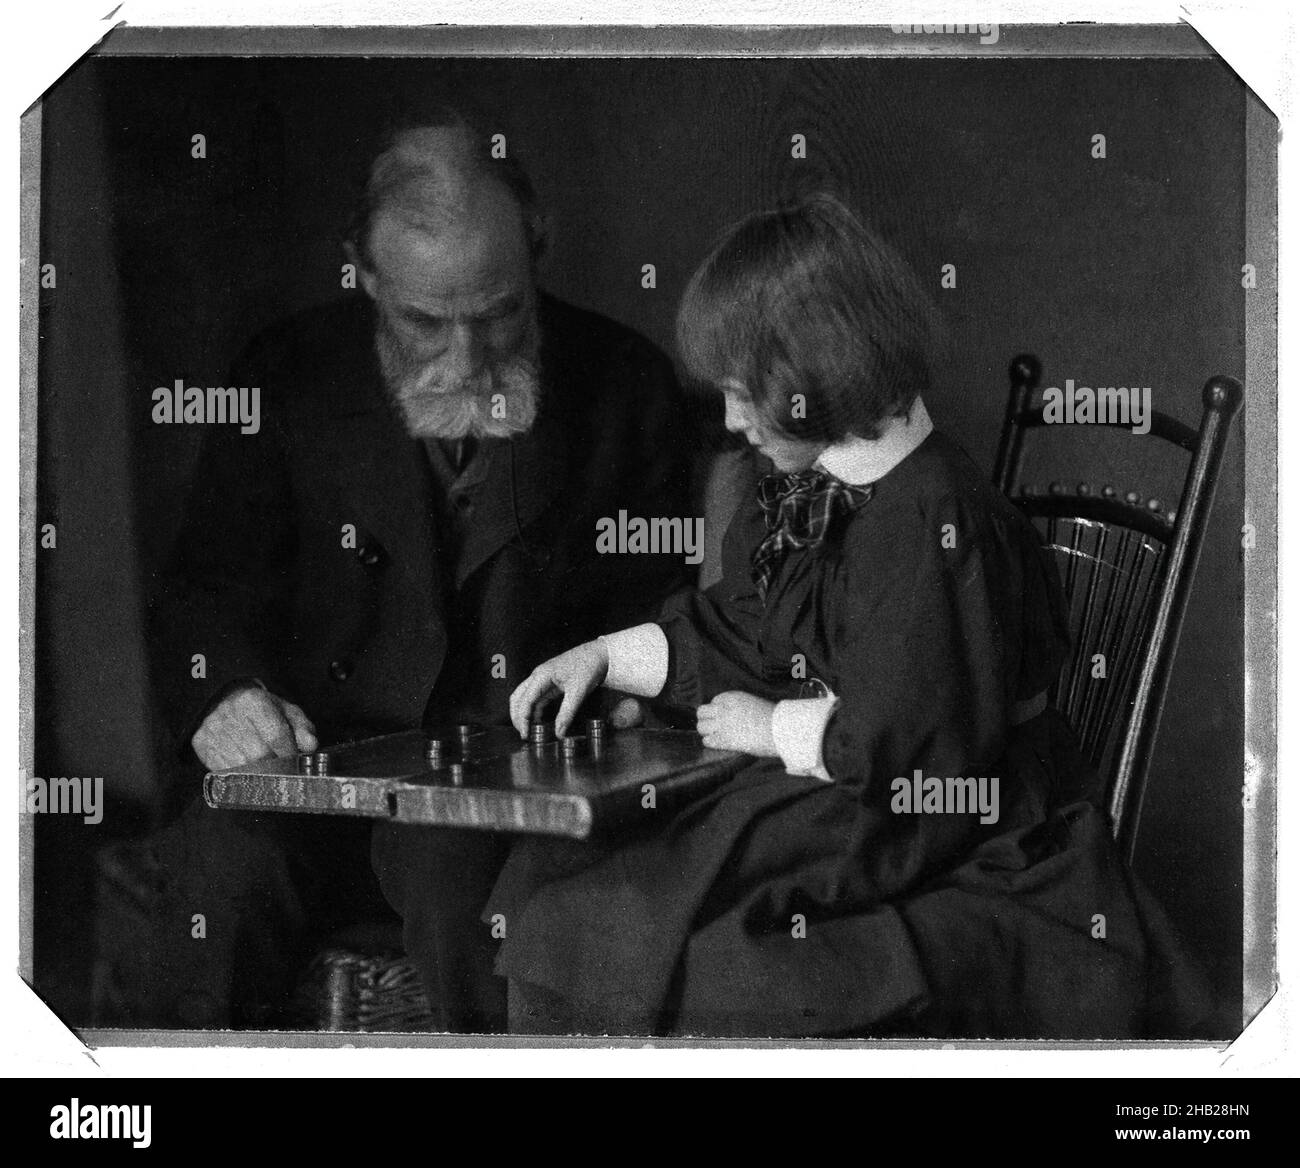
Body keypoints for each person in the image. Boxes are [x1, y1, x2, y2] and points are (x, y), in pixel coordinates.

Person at [491, 193, 1213, 1038]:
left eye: (742, 395)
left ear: (818, 376)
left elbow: (916, 743)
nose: (729, 422)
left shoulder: (930, 519)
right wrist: (605, 657)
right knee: (575, 880)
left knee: (683, 939)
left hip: (969, 832)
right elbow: (743, 630)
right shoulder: (817, 493)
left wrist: (772, 729)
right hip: (868, 798)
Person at [94, 105, 695, 1029]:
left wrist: (632, 695)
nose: (467, 359)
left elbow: (669, 614)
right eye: (423, 321)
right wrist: (223, 697)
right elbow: (202, 593)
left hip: (502, 798)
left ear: (538, 246)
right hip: (310, 776)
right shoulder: (283, 379)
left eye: (499, 315)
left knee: (468, 893)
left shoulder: (627, 387)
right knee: (213, 887)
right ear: (363, 271)